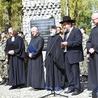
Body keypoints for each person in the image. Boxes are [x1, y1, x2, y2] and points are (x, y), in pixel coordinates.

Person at [60, 16, 84, 95]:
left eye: (65, 25)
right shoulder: (66, 33)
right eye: (63, 25)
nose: (64, 26)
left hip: (74, 55)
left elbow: (78, 42)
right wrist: (63, 45)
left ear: (70, 24)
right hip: (67, 54)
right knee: (69, 72)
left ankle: (77, 88)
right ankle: (71, 86)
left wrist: (67, 43)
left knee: (75, 72)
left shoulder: (76, 31)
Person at [45, 25, 65, 91]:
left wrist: (56, 57)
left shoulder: (58, 38)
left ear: (56, 30)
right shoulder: (50, 38)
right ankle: (50, 85)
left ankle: (57, 85)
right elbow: (48, 48)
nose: (51, 30)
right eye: (50, 29)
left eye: (53, 29)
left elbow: (59, 49)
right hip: (49, 58)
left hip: (56, 59)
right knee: (50, 72)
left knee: (56, 72)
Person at [86, 12, 98, 91]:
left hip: (97, 52)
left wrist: (95, 48)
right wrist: (89, 49)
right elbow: (89, 41)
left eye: (93, 19)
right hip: (93, 55)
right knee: (94, 73)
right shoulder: (93, 30)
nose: (92, 21)